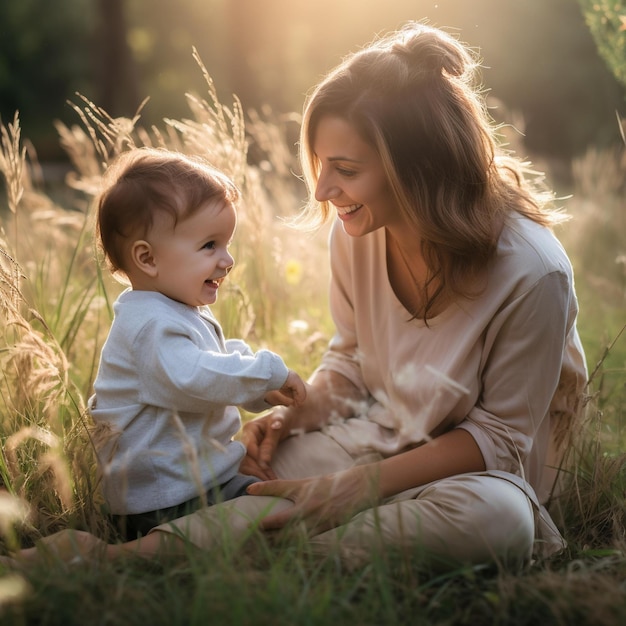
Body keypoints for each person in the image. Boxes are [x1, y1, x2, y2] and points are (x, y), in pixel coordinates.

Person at [4, 22, 586, 569]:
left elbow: (501, 439)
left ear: (419, 167)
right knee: (249, 469)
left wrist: (354, 487)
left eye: (346, 169)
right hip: (379, 439)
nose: (324, 189)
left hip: (473, 477)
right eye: (320, 164)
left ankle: (235, 557)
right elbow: (353, 363)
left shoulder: (533, 273)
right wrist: (296, 415)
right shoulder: (358, 230)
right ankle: (147, 558)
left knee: (500, 521)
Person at [86, 147, 307, 539]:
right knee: (283, 512)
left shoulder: (171, 307)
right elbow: (197, 377)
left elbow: (213, 363)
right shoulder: (150, 326)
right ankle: (154, 547)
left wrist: (261, 392)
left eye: (226, 244)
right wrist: (266, 373)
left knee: (286, 500)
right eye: (210, 246)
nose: (228, 260)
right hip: (162, 499)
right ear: (147, 258)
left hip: (191, 483)